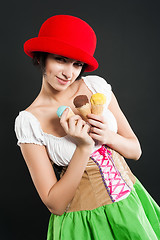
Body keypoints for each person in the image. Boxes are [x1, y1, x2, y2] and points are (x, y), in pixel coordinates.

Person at [14, 15, 160, 239]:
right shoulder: (29, 121)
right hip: (84, 224)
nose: (68, 73)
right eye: (60, 59)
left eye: (77, 64)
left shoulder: (95, 87)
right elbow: (55, 204)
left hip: (132, 204)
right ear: (41, 57)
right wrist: (83, 147)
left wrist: (108, 136)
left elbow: (135, 151)